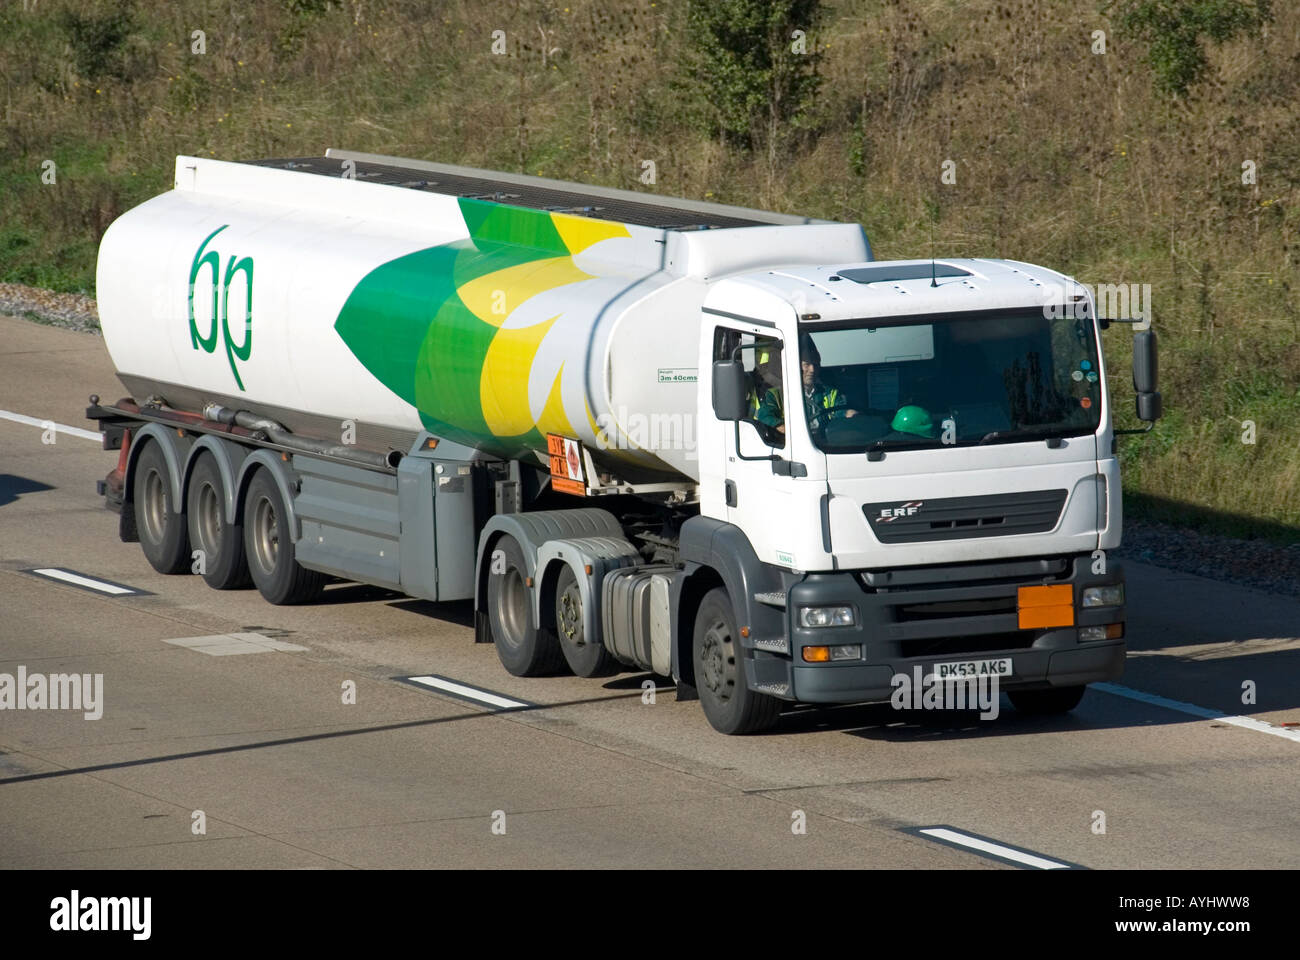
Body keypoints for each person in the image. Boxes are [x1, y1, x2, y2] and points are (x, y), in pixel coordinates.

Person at [755, 334, 857, 436]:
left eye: (815, 364)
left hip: (825, 442)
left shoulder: (831, 393)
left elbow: (841, 411)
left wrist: (851, 414)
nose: (812, 369)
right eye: (807, 365)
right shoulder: (775, 395)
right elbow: (764, 416)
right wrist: (785, 429)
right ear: (795, 366)